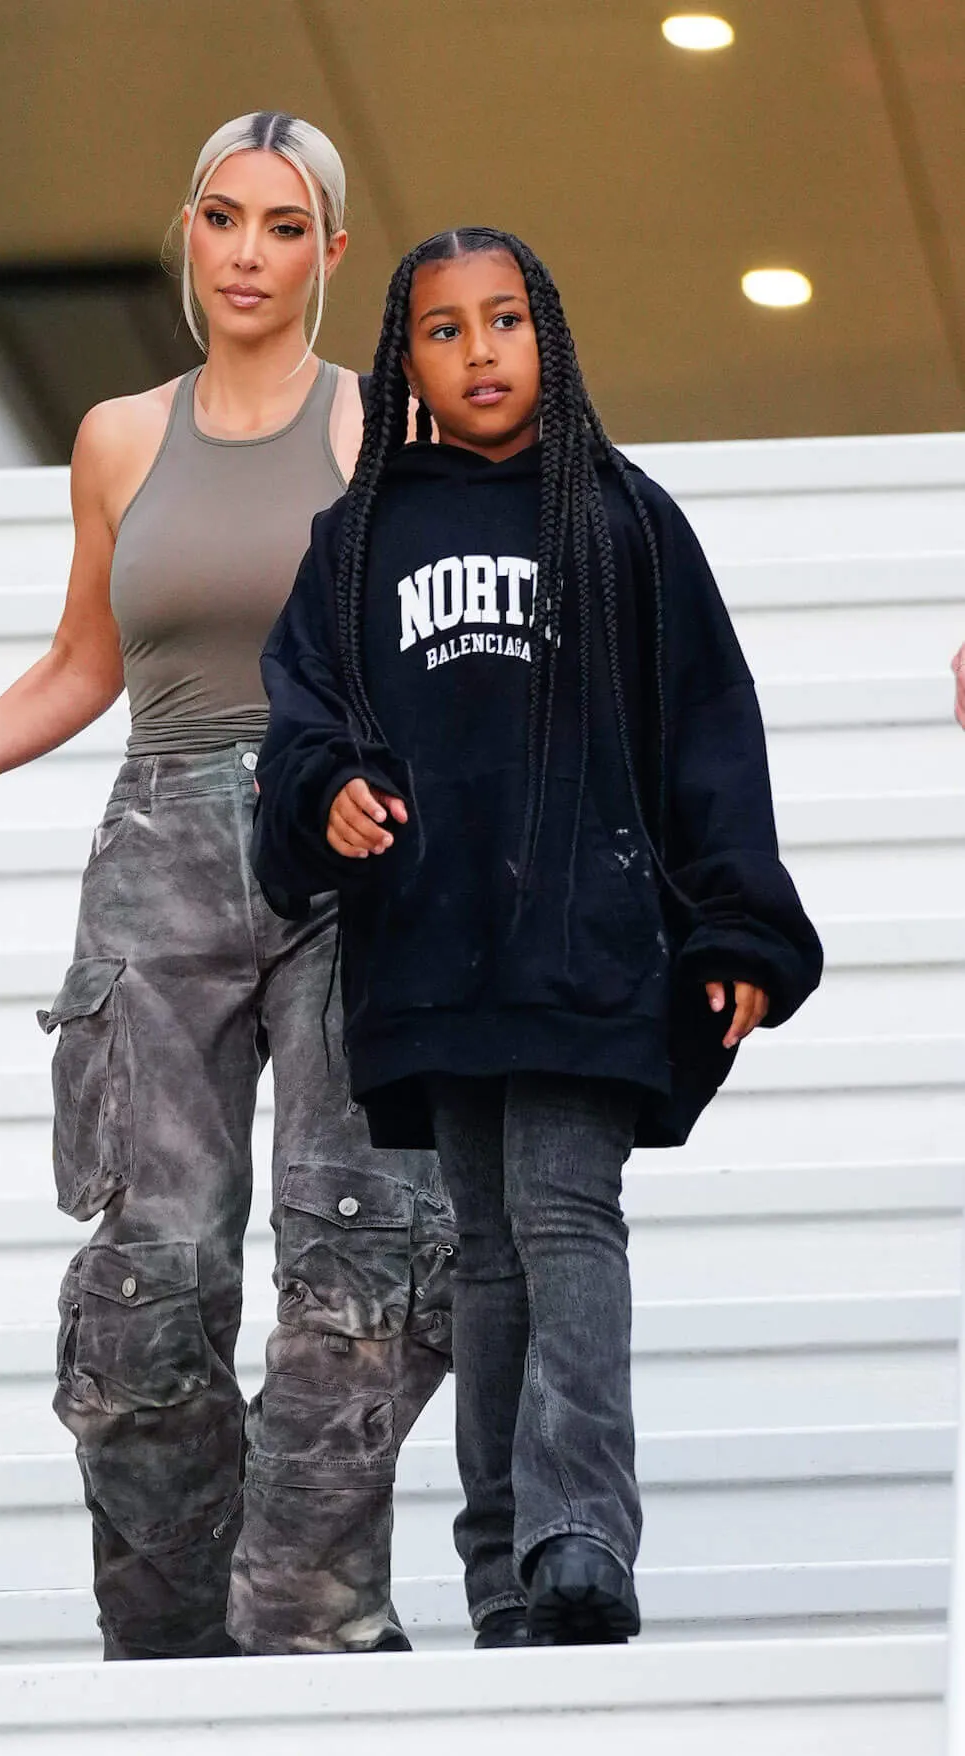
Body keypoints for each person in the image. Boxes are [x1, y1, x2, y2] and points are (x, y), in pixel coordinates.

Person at [0, 113, 453, 1659]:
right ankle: (169, 1640)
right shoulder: (118, 435)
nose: (248, 252)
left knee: (355, 1247)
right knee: (151, 1271)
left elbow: (443, 652)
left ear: (330, 251)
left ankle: (306, 1612)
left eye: (283, 225)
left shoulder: (383, 427)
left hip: (344, 847)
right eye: (222, 219)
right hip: (159, 851)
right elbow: (79, 668)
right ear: (187, 229)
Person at [252, 228, 823, 1647]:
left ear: (546, 337)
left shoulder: (620, 518)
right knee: (487, 1250)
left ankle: (578, 1536)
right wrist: (328, 797)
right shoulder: (357, 538)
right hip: (433, 946)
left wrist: (734, 922)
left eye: (503, 320)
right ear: (405, 365)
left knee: (564, 1215)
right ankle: (505, 1568)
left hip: (584, 939)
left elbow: (705, 728)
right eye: (443, 330)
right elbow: (300, 720)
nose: (479, 350)